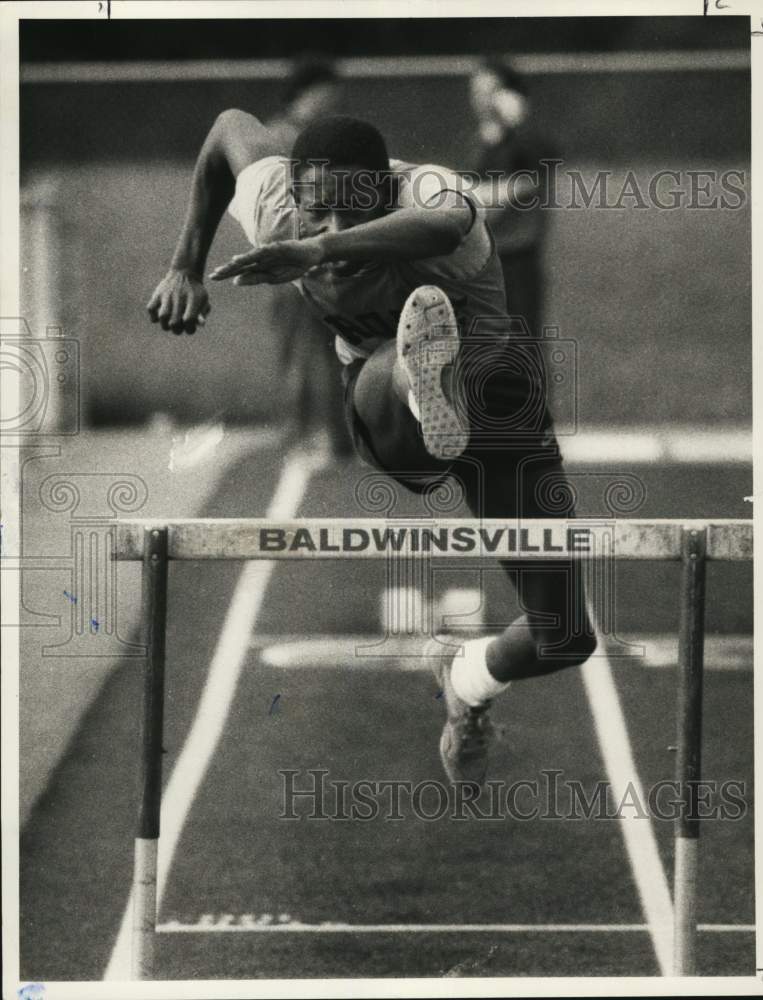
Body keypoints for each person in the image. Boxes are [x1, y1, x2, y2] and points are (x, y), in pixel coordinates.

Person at [147, 111, 596, 785]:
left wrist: (319, 252)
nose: (329, 228)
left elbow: (444, 225)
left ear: (385, 191)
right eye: (316, 213)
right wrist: (184, 265)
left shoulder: (429, 193)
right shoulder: (274, 199)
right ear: (293, 192)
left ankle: (467, 678)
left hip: (499, 406)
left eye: (348, 215)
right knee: (388, 360)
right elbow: (224, 131)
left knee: (564, 636)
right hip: (381, 403)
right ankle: (418, 379)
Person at [265, 58, 352, 453]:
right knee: (297, 354)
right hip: (291, 260)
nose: (333, 102)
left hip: (329, 259)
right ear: (308, 93)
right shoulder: (276, 138)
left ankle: (341, 437)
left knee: (340, 350)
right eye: (327, 95)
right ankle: (296, 436)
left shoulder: (329, 136)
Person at [469, 59, 557, 337]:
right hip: (480, 262)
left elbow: (544, 161)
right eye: (476, 92)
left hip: (517, 259)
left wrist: (517, 121)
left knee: (522, 349)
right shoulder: (477, 143)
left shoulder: (523, 143)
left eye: (490, 91)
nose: (481, 101)